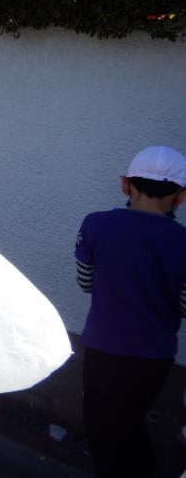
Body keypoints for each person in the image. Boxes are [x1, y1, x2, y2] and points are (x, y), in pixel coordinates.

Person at [74, 145, 186, 478]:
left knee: (104, 432)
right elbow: (184, 305)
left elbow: (85, 282)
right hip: (155, 357)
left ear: (126, 184)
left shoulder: (97, 224)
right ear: (180, 196)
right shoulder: (183, 240)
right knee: (130, 425)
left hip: (103, 349)